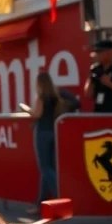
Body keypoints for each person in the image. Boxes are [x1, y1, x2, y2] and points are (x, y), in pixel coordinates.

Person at [26, 72, 77, 213]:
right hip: (53, 132)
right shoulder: (55, 96)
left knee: (45, 168)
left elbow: (37, 114)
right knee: (48, 169)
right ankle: (40, 204)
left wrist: (26, 109)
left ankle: (60, 198)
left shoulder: (42, 96)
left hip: (42, 132)